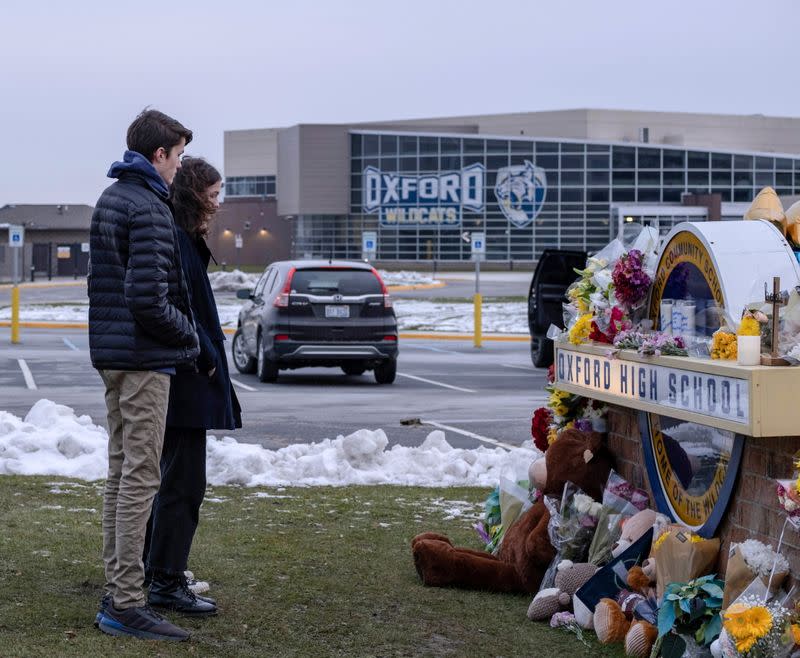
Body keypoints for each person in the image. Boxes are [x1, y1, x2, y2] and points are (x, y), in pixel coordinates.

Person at [88, 108, 199, 642]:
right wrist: (190, 335)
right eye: (178, 156)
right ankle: (127, 602)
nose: (180, 166)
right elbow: (147, 300)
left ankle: (117, 591)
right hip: (142, 361)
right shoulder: (150, 206)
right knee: (141, 479)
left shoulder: (112, 197)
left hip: (114, 357)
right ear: (159, 154)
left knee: (120, 474)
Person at [145, 157, 242, 616]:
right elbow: (176, 309)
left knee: (173, 481)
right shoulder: (179, 241)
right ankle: (164, 580)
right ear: (193, 194)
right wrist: (204, 355)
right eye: (214, 194)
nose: (218, 204)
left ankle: (157, 570)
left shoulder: (183, 239)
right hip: (186, 379)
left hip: (183, 376)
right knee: (183, 485)